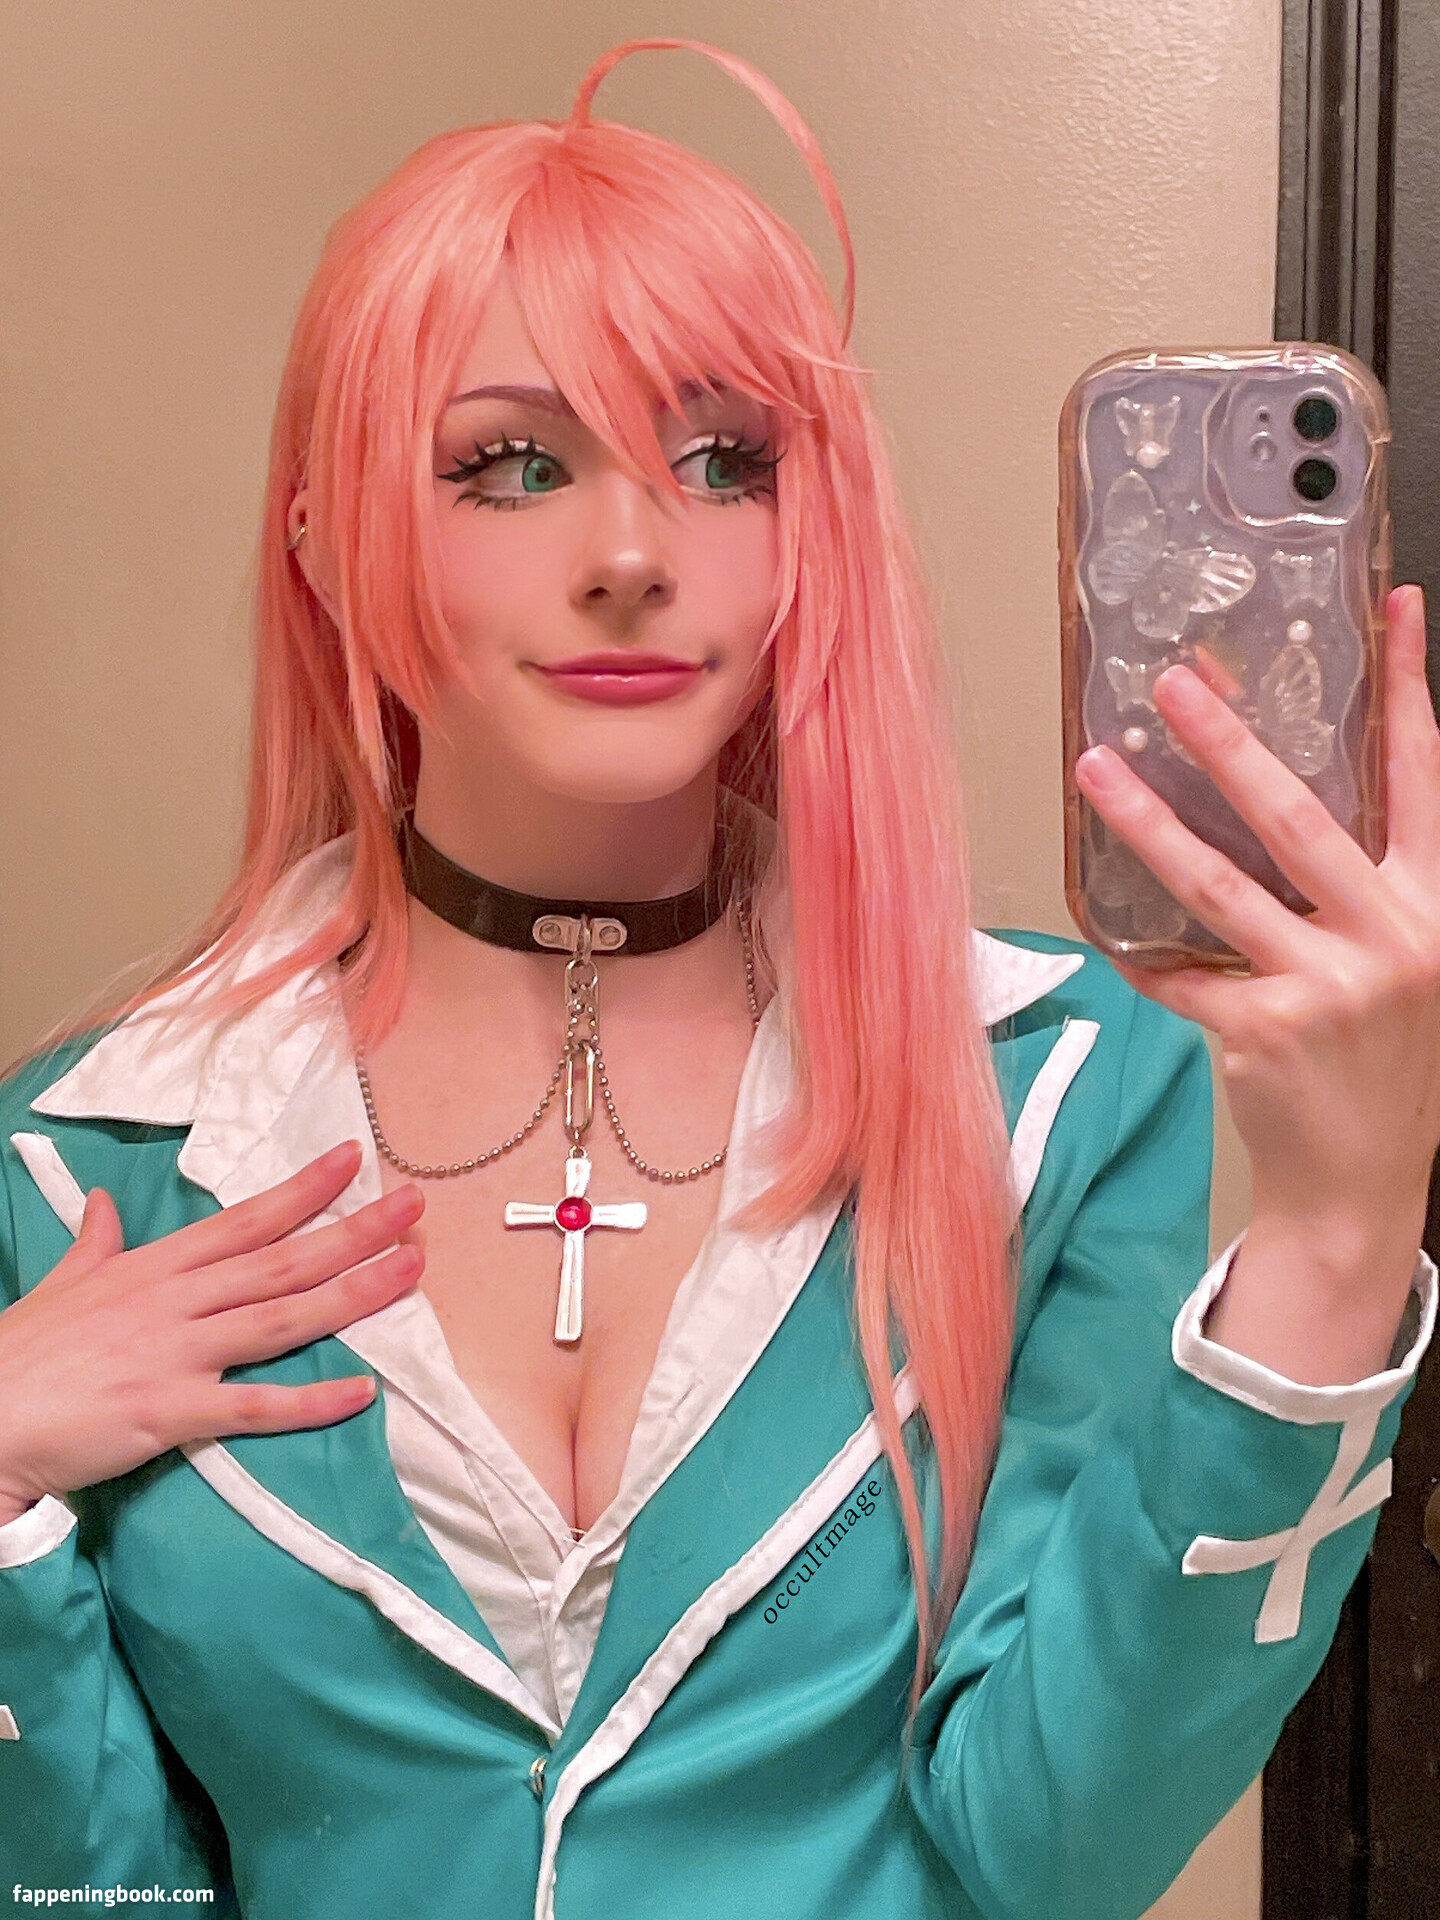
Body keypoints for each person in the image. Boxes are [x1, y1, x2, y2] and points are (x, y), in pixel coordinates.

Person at [0, 37, 1437, 1920]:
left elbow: (1054, 1853)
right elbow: (102, 1898)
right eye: (510, 464)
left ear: (803, 535)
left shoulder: (1059, 1089)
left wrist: (1339, 1229)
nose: (629, 553)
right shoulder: (82, 1164)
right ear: (326, 544)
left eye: (722, 462)